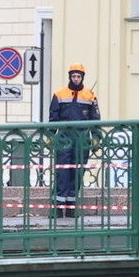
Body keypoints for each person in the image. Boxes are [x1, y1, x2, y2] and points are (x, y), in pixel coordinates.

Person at [48, 62, 101, 217]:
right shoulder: (59, 94)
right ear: (70, 77)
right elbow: (53, 119)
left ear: (82, 77)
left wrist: (96, 138)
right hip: (64, 137)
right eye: (73, 76)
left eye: (78, 76)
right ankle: (58, 207)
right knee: (62, 172)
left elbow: (96, 120)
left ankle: (70, 207)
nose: (76, 79)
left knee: (77, 172)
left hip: (82, 138)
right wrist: (51, 136)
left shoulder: (90, 95)